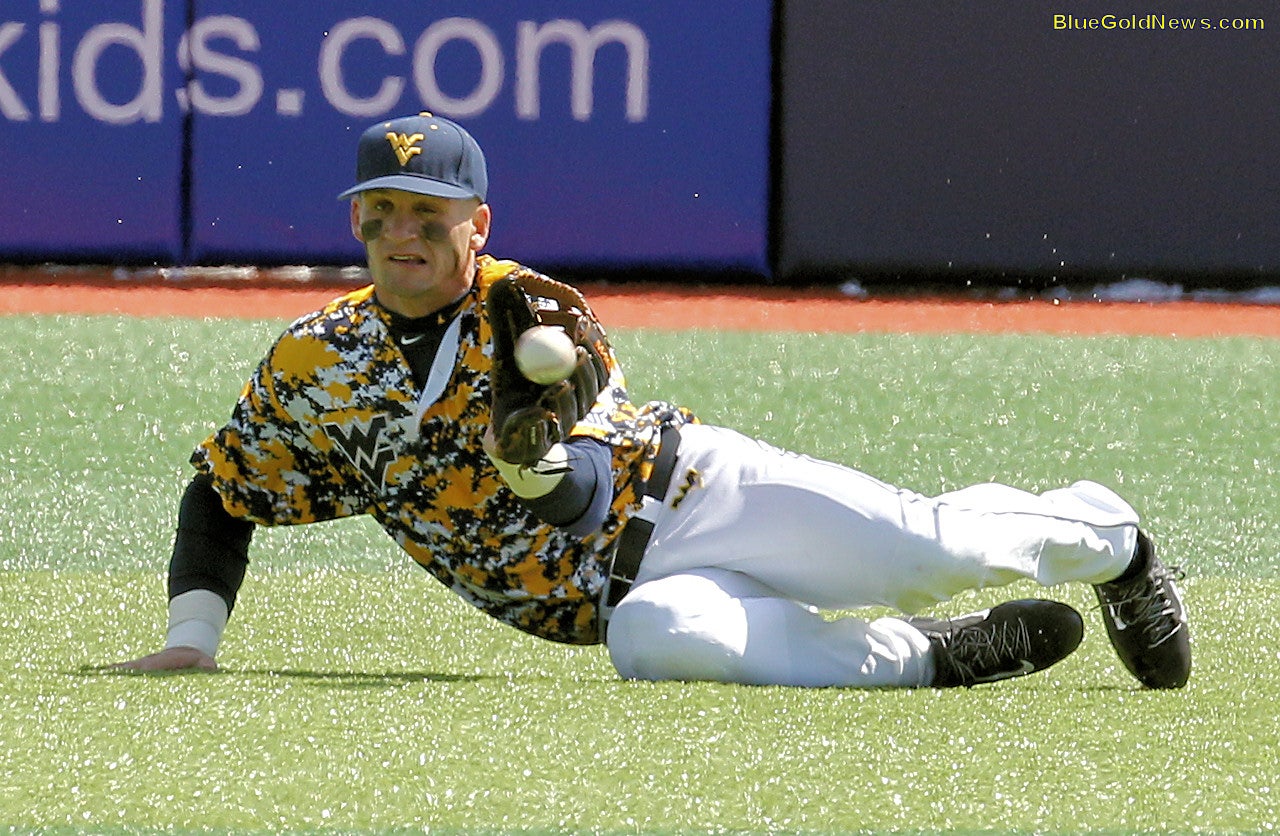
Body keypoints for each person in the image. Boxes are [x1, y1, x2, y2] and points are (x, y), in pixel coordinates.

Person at [117, 112, 1191, 689]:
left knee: (929, 548)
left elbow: (581, 489)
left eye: (430, 212)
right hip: (609, 605)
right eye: (383, 209)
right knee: (656, 640)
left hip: (693, 496)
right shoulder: (315, 357)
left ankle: (1108, 536)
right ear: (357, 223)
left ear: (475, 223)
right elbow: (223, 488)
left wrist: (534, 468)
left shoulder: (530, 309)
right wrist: (192, 635)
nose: (403, 230)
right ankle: (938, 656)